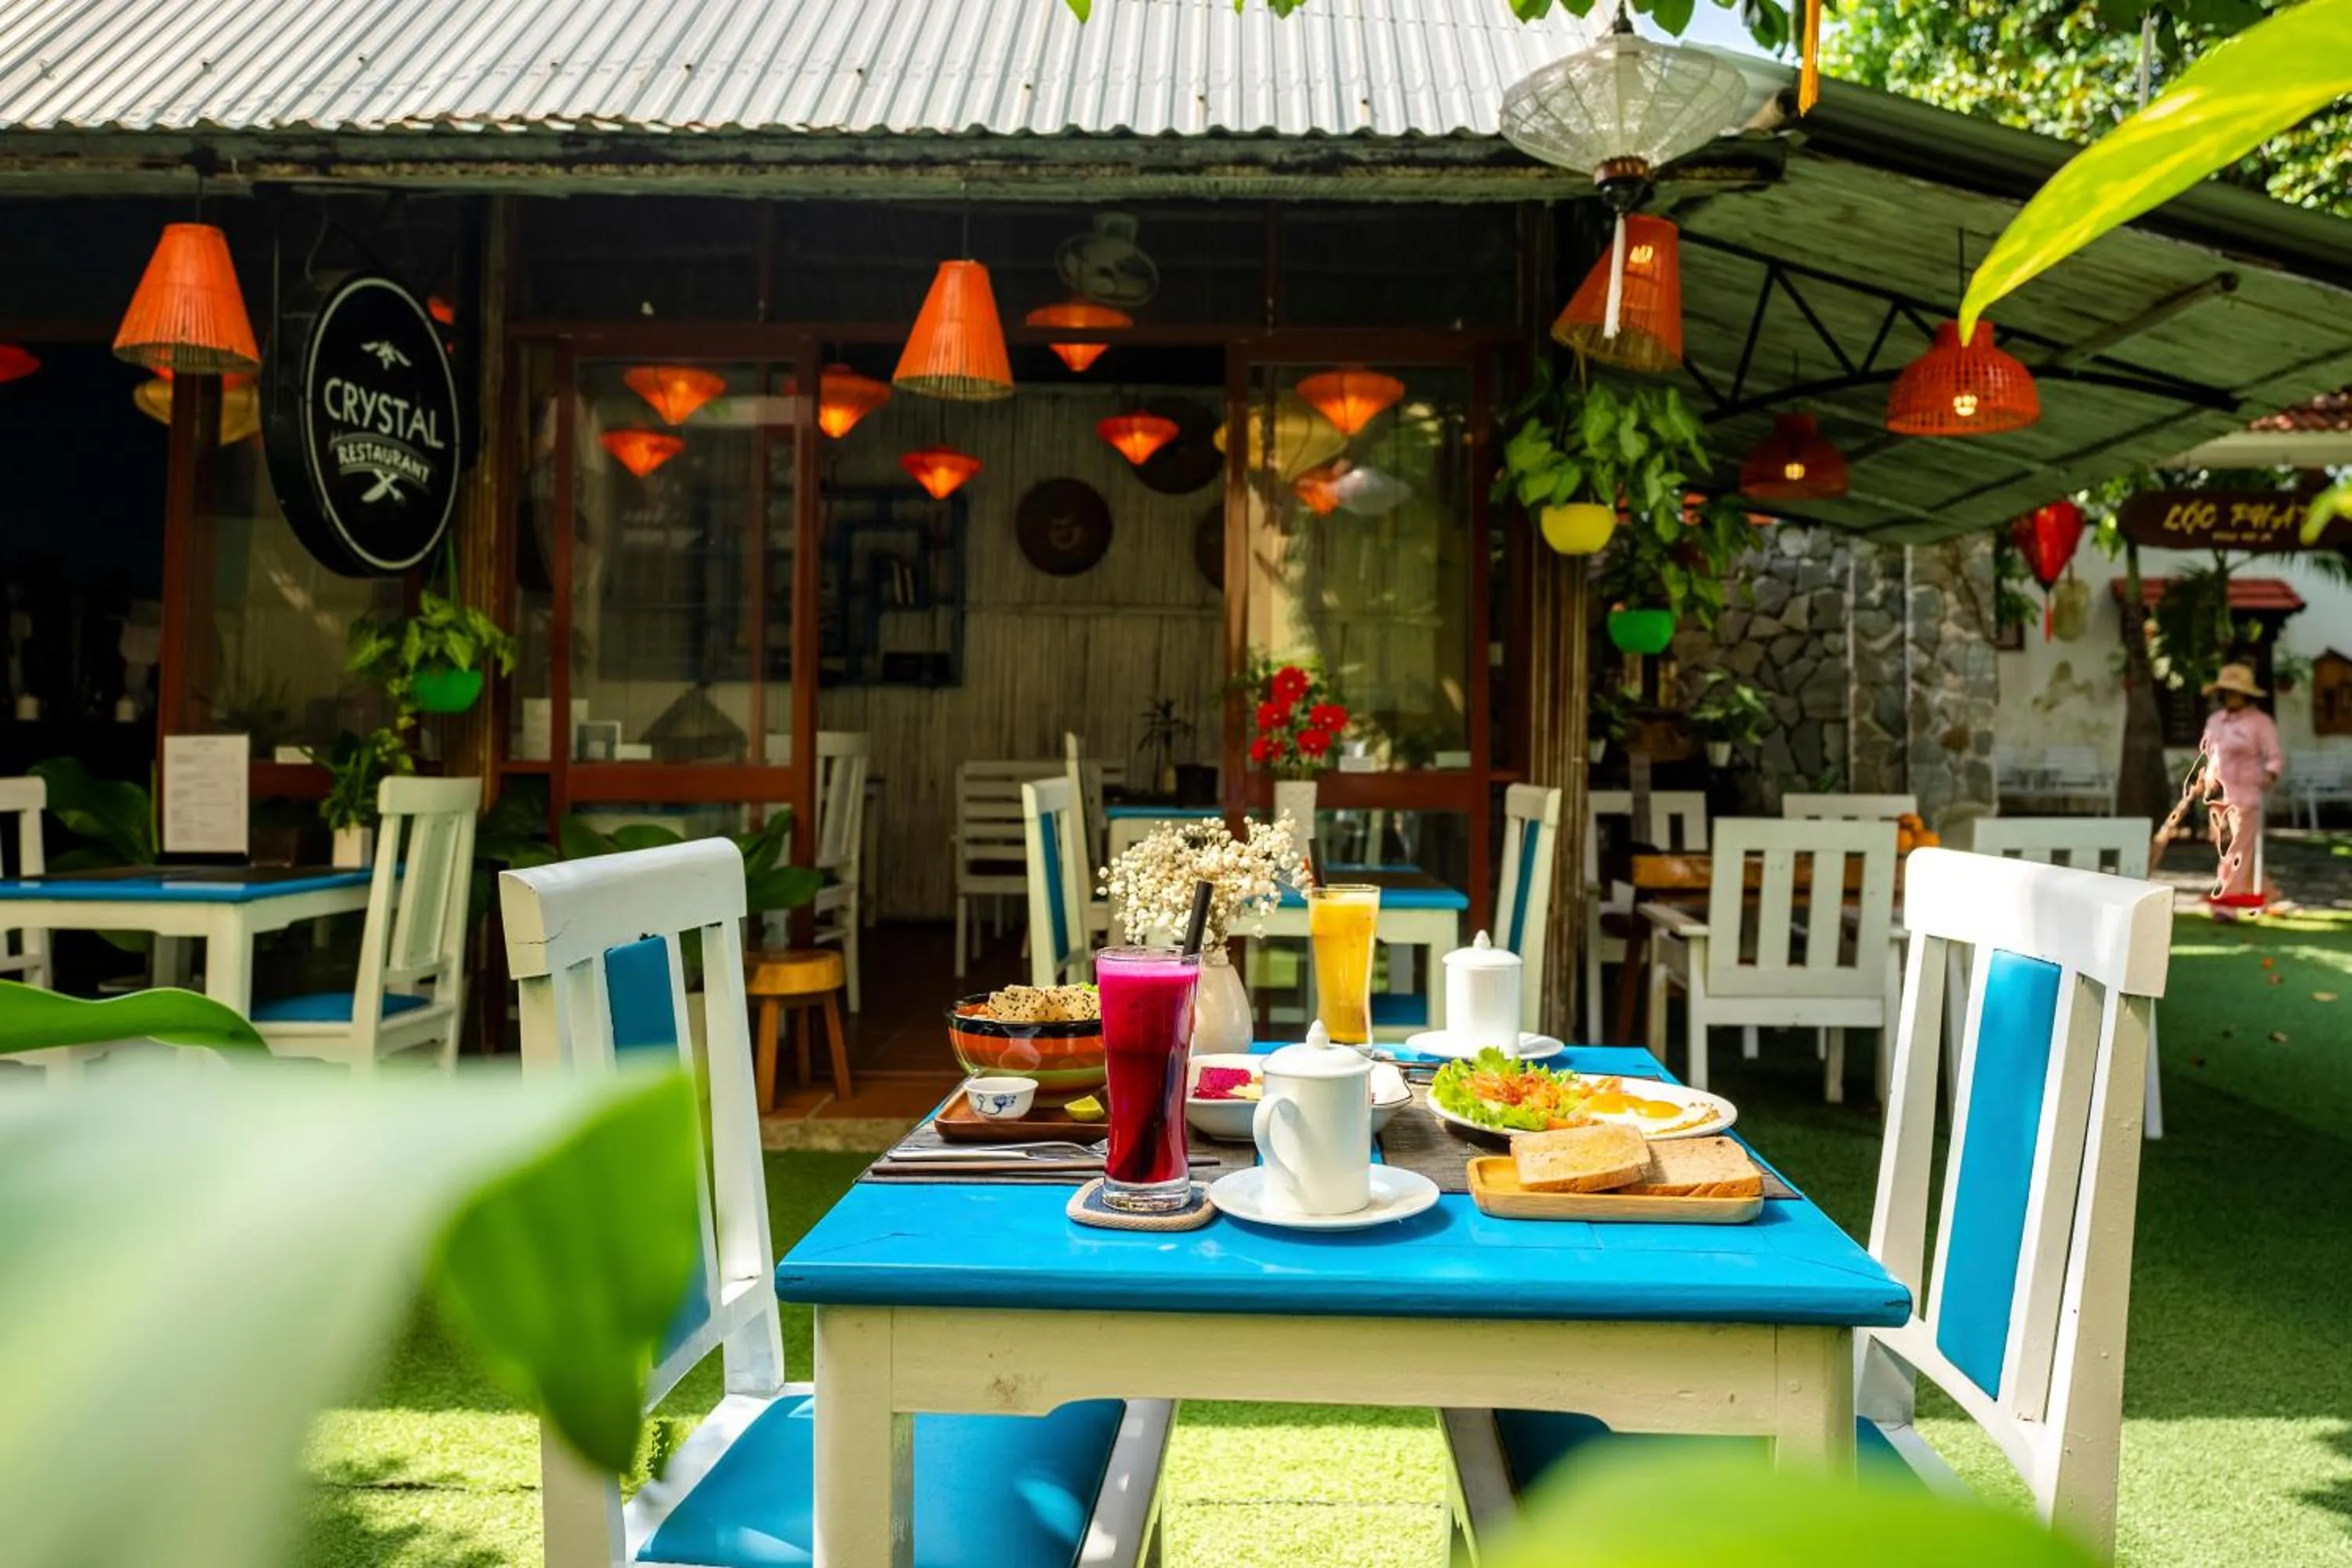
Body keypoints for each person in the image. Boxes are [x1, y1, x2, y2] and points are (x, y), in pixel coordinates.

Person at [2198, 662, 2283, 908]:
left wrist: (2270, 775)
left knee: (2236, 849)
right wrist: (2205, 780)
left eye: (2236, 691)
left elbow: (2275, 757)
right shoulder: (2215, 720)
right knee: (2233, 850)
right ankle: (2268, 896)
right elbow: (2209, 753)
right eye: (2227, 691)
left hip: (2246, 796)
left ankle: (2226, 903)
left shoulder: (2260, 723)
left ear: (2246, 694)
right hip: (2219, 796)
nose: (2231, 696)